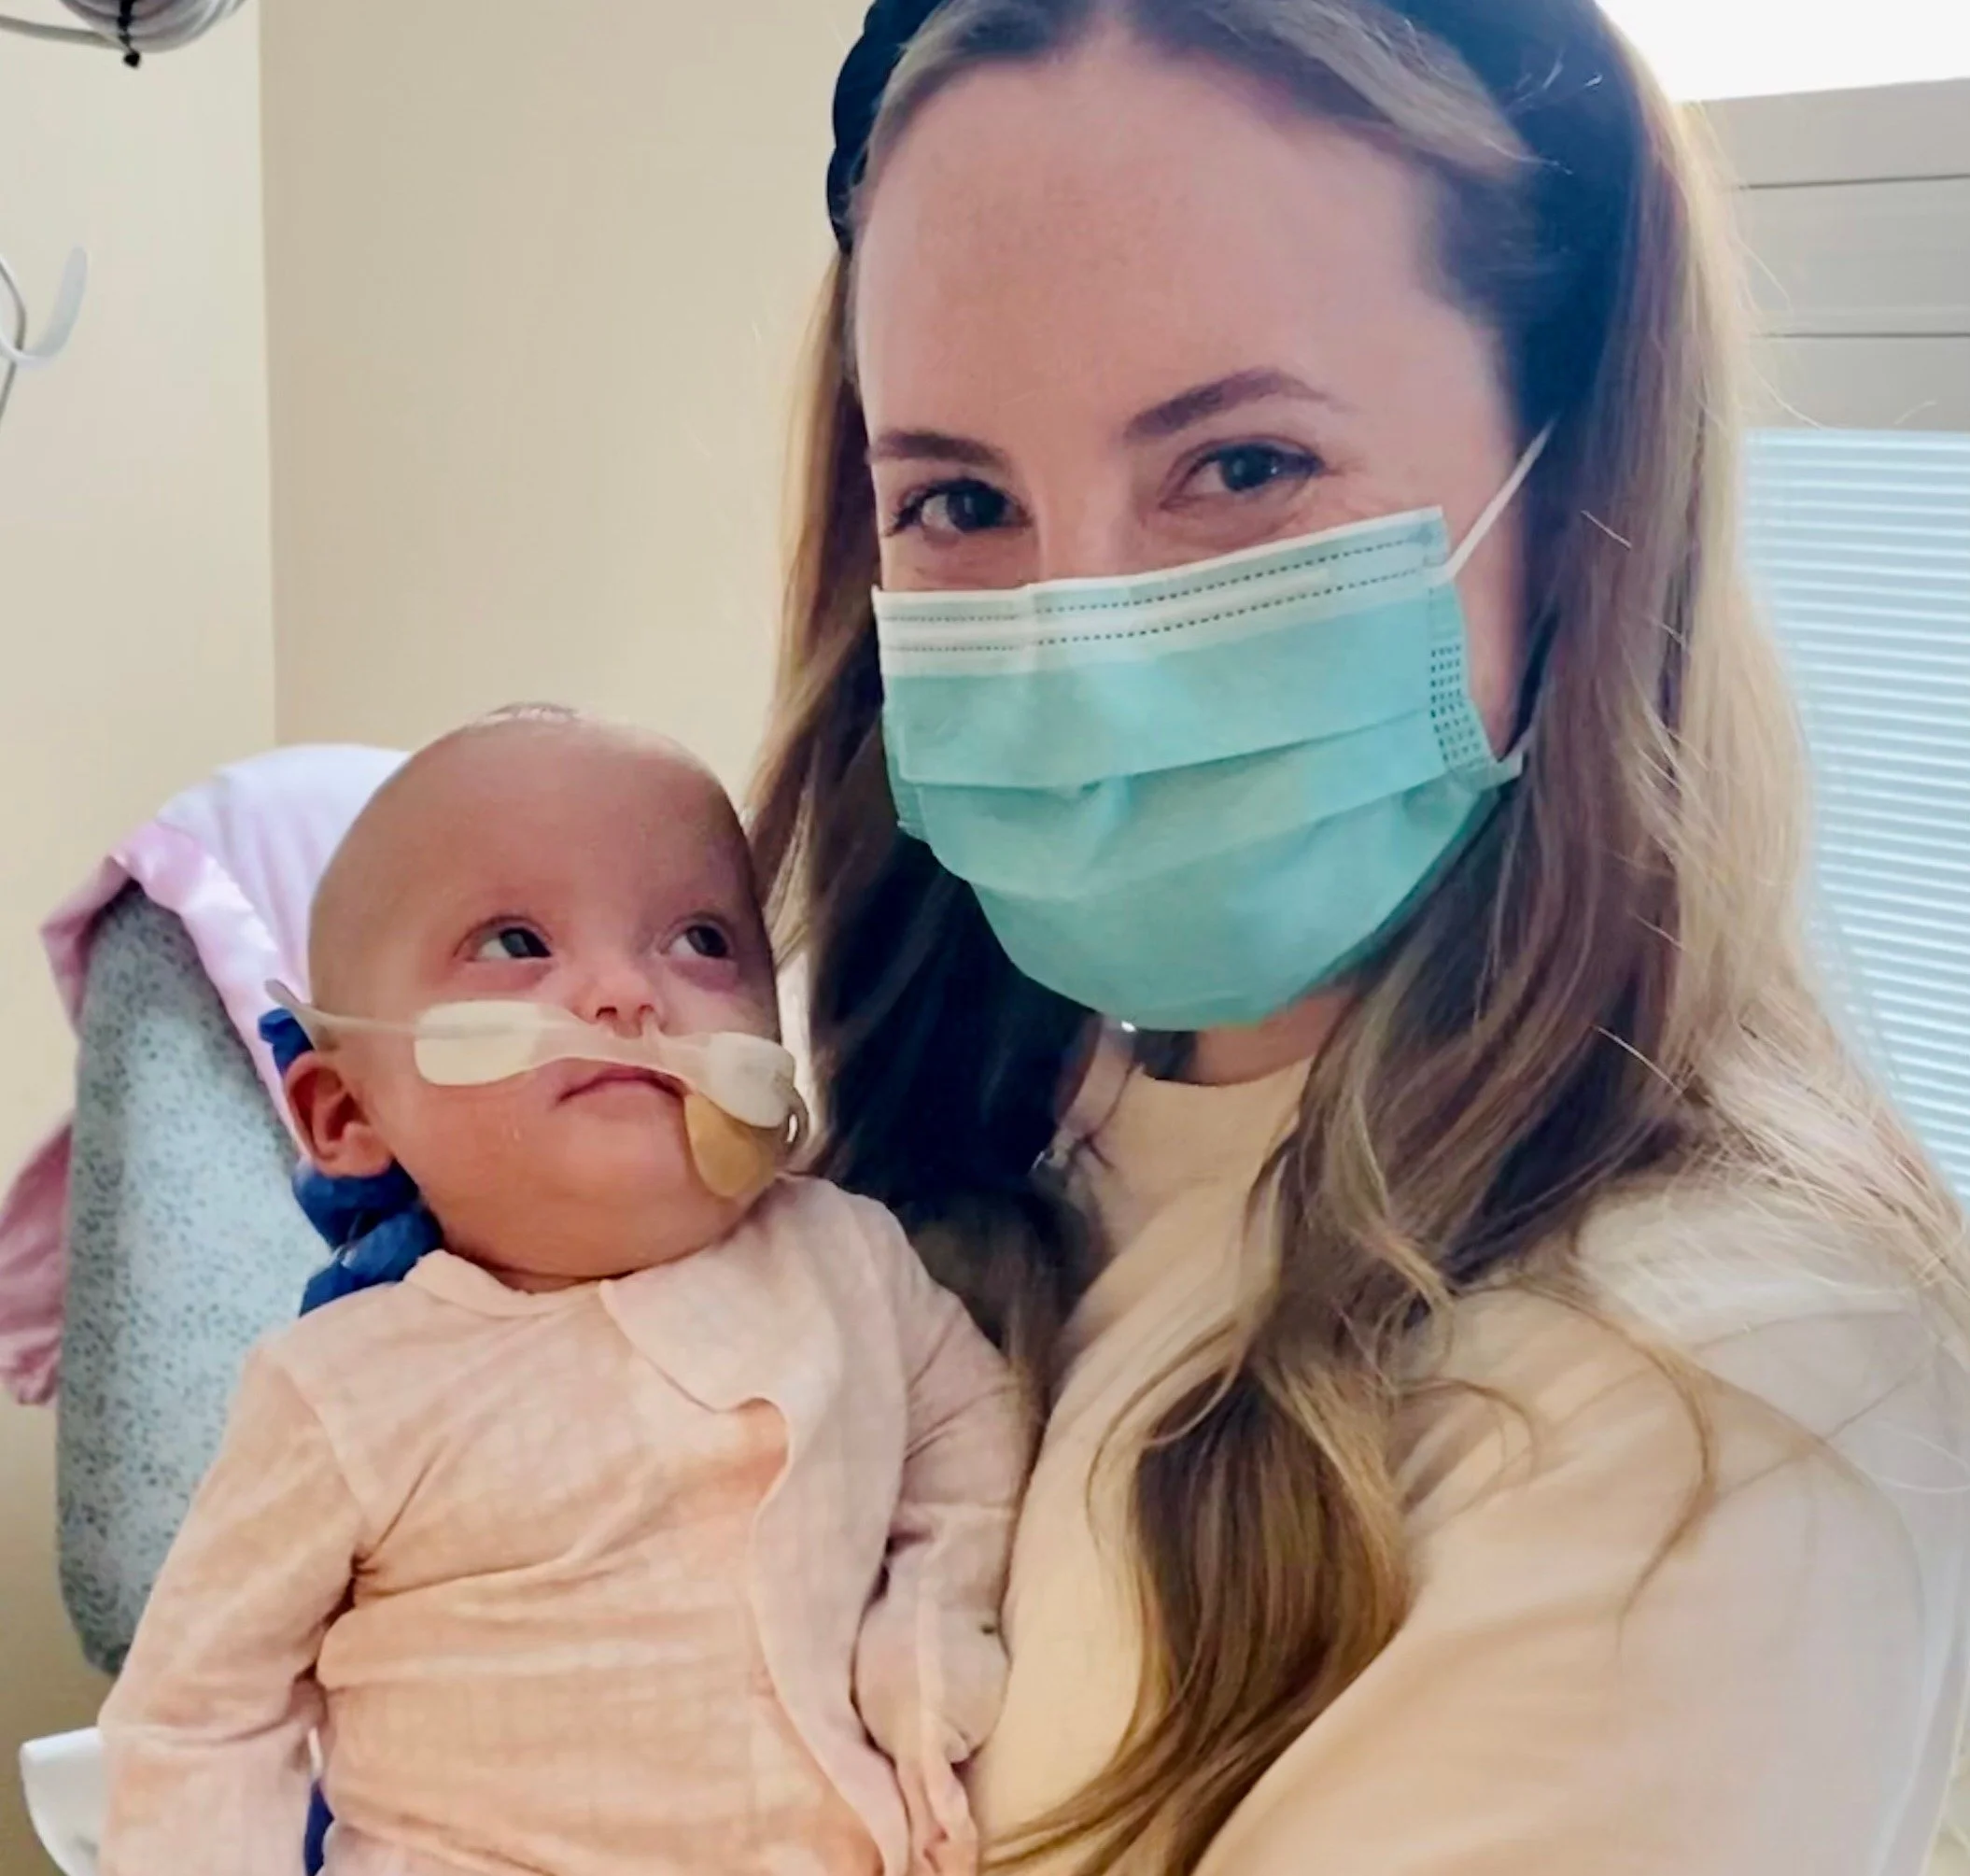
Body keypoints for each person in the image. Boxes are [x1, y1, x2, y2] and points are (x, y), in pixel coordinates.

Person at [753, 2, 1970, 1871]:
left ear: (1574, 502)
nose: (1084, 642)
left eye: (1244, 465)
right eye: (962, 501)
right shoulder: (984, 1143)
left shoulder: (1716, 1401)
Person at [98, 710, 1026, 1876]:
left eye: (699, 939)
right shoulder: (344, 1390)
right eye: (515, 942)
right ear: (348, 1112)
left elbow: (972, 1432)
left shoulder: (849, 1260)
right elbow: (197, 1716)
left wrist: (930, 1621)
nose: (628, 993)